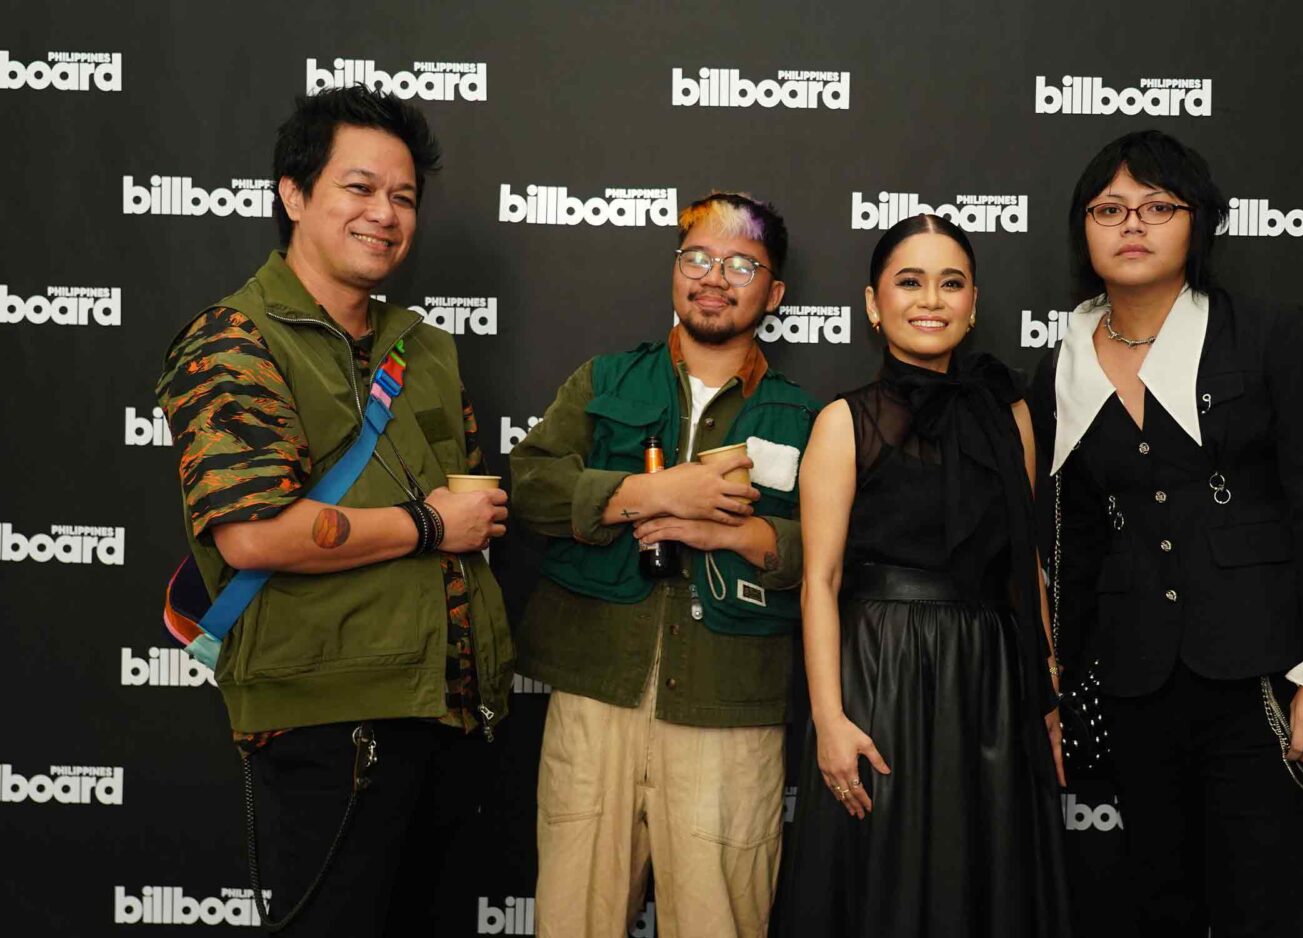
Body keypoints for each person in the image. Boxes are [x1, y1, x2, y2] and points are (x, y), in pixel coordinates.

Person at [153, 87, 514, 936]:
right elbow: (250, 536)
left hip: (450, 716)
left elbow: (462, 493)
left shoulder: (422, 345)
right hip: (330, 727)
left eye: (403, 197)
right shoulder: (235, 339)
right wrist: (429, 525)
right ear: (294, 195)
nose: (384, 214)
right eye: (358, 188)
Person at [1028, 129, 1303, 936]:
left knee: (1260, 902)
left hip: (1256, 671)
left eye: (1158, 206)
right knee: (1155, 902)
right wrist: (1055, 687)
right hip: (1132, 676)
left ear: (1198, 222)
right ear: (1083, 229)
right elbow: (1069, 541)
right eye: (1109, 208)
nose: (1132, 224)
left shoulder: (1263, 333)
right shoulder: (1062, 363)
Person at [509, 192, 819, 938]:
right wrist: (645, 494)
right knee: (572, 921)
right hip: (597, 698)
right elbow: (532, 488)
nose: (716, 276)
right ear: (674, 274)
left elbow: (831, 554)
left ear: (773, 293)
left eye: (741, 263)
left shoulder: (806, 415)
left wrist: (741, 536)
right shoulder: (606, 381)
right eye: (698, 258)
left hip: (729, 709)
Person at [774, 214, 1070, 937]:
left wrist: (1048, 695)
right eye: (909, 281)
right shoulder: (844, 422)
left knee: (984, 883)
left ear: (972, 304)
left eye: (951, 283)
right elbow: (820, 580)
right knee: (880, 881)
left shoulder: (1014, 417)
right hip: (881, 674)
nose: (930, 299)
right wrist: (829, 720)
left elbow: (1026, 564)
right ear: (874, 304)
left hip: (990, 682)